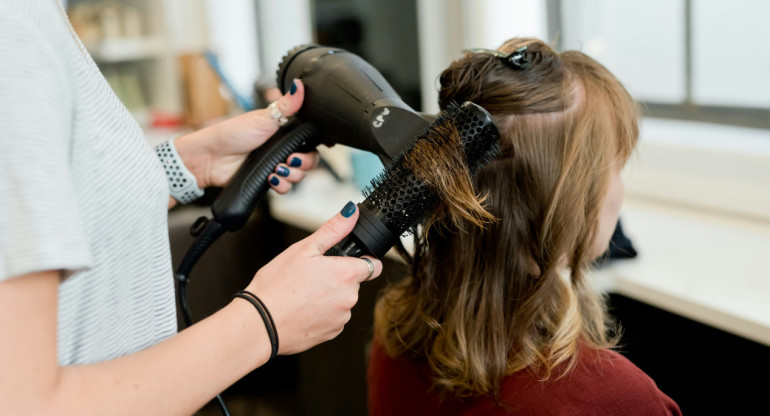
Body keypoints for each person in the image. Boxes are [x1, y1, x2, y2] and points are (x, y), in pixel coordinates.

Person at [0, 1, 382, 414]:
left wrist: (181, 167)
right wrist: (263, 323)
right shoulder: (14, 33)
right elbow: (26, 405)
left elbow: (61, 198)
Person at [367, 37, 681, 415]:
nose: (620, 188)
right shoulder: (619, 400)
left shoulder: (395, 338)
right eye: (614, 166)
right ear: (558, 209)